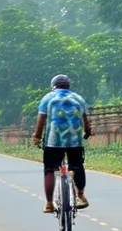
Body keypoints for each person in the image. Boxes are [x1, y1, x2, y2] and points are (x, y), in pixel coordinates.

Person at [33, 74, 92, 213]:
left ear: (54, 86)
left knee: (49, 170)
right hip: (75, 141)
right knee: (77, 166)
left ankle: (48, 204)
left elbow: (41, 119)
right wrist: (88, 132)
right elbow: (86, 121)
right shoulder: (78, 98)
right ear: (69, 86)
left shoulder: (48, 98)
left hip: (54, 142)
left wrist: (37, 136)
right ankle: (81, 196)